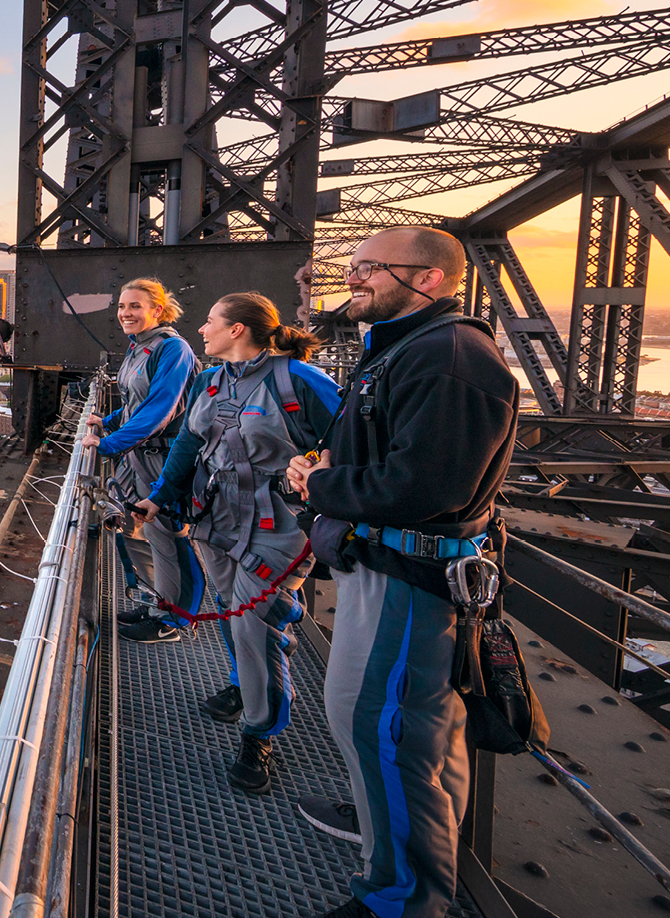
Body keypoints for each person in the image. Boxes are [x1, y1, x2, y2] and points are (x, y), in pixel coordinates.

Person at [285, 226, 519, 918]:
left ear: (430, 280)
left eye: (371, 269)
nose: (354, 280)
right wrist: (324, 475)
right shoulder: (409, 349)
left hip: (407, 581)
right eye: (353, 268)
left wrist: (320, 488)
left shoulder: (450, 359)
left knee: (375, 723)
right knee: (422, 734)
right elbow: (392, 461)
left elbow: (425, 487)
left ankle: (400, 899)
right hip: (393, 568)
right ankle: (415, 854)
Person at [137, 291, 340, 795]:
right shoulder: (210, 381)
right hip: (216, 516)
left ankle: (260, 732)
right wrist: (159, 500)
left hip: (279, 527)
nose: (200, 330)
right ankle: (241, 684)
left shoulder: (301, 380)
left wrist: (323, 470)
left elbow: (355, 441)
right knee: (231, 609)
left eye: (208, 321)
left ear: (237, 330)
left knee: (257, 625)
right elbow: (188, 444)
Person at [81, 278, 203, 643]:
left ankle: (177, 620)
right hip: (142, 455)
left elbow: (160, 411)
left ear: (158, 311)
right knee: (153, 534)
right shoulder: (139, 349)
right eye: (122, 306)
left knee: (173, 536)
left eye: (135, 306)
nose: (125, 313)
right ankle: (160, 604)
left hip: (166, 455)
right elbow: (137, 403)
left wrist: (107, 444)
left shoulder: (173, 349)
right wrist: (109, 421)